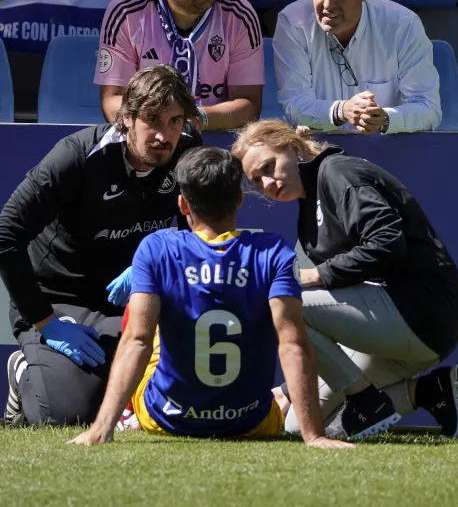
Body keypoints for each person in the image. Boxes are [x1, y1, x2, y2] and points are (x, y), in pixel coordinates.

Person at [67, 146, 353, 448]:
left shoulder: (157, 247)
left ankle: (124, 417)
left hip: (165, 418)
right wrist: (314, 436)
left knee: (143, 319)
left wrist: (100, 429)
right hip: (251, 424)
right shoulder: (274, 251)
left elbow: (137, 340)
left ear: (183, 205)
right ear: (240, 200)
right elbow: (293, 344)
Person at [0, 64, 202, 428]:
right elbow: (3, 237)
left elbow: (202, 233)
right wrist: (47, 321)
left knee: (191, 400)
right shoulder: (76, 155)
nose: (165, 136)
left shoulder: (188, 151)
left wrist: (158, 258)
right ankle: (23, 370)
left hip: (138, 300)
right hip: (62, 301)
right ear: (127, 118)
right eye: (153, 120)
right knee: (64, 415)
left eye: (175, 121)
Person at [230, 119, 458, 439]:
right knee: (298, 422)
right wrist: (289, 390)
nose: (267, 182)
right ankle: (429, 391)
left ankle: (364, 400)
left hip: (423, 312)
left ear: (292, 147)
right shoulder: (308, 207)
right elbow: (327, 316)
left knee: (287, 306)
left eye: (268, 166)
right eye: (257, 180)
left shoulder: (337, 172)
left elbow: (387, 243)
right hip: (390, 330)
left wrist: (316, 274)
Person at [94, 0, 265, 132]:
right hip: (148, 136)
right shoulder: (126, 13)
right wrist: (164, 122)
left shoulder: (240, 15)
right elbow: (112, 102)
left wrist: (196, 118)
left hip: (211, 140)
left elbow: (249, 105)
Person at [272, 0, 443, 134]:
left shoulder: (403, 25)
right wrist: (341, 111)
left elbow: (428, 108)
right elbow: (294, 105)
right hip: (318, 154)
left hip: (386, 152)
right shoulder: (292, 22)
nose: (328, 5)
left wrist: (385, 119)